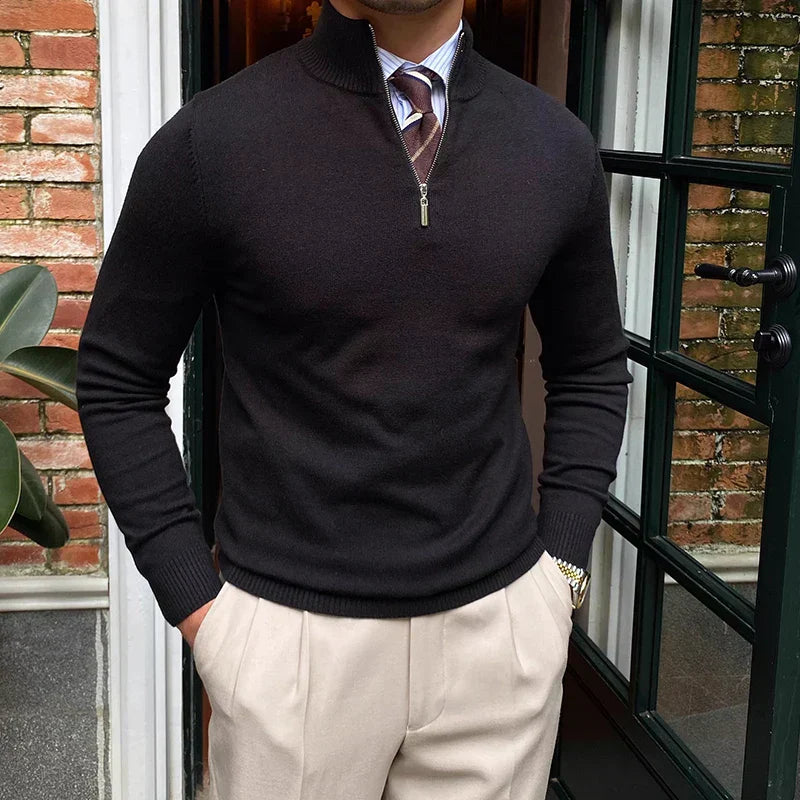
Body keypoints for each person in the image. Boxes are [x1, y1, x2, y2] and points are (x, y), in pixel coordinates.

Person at [75, 0, 632, 796]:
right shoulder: (213, 141)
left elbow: (590, 367)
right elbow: (117, 379)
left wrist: (560, 575)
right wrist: (203, 611)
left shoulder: (554, 145)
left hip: (499, 642)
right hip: (289, 650)